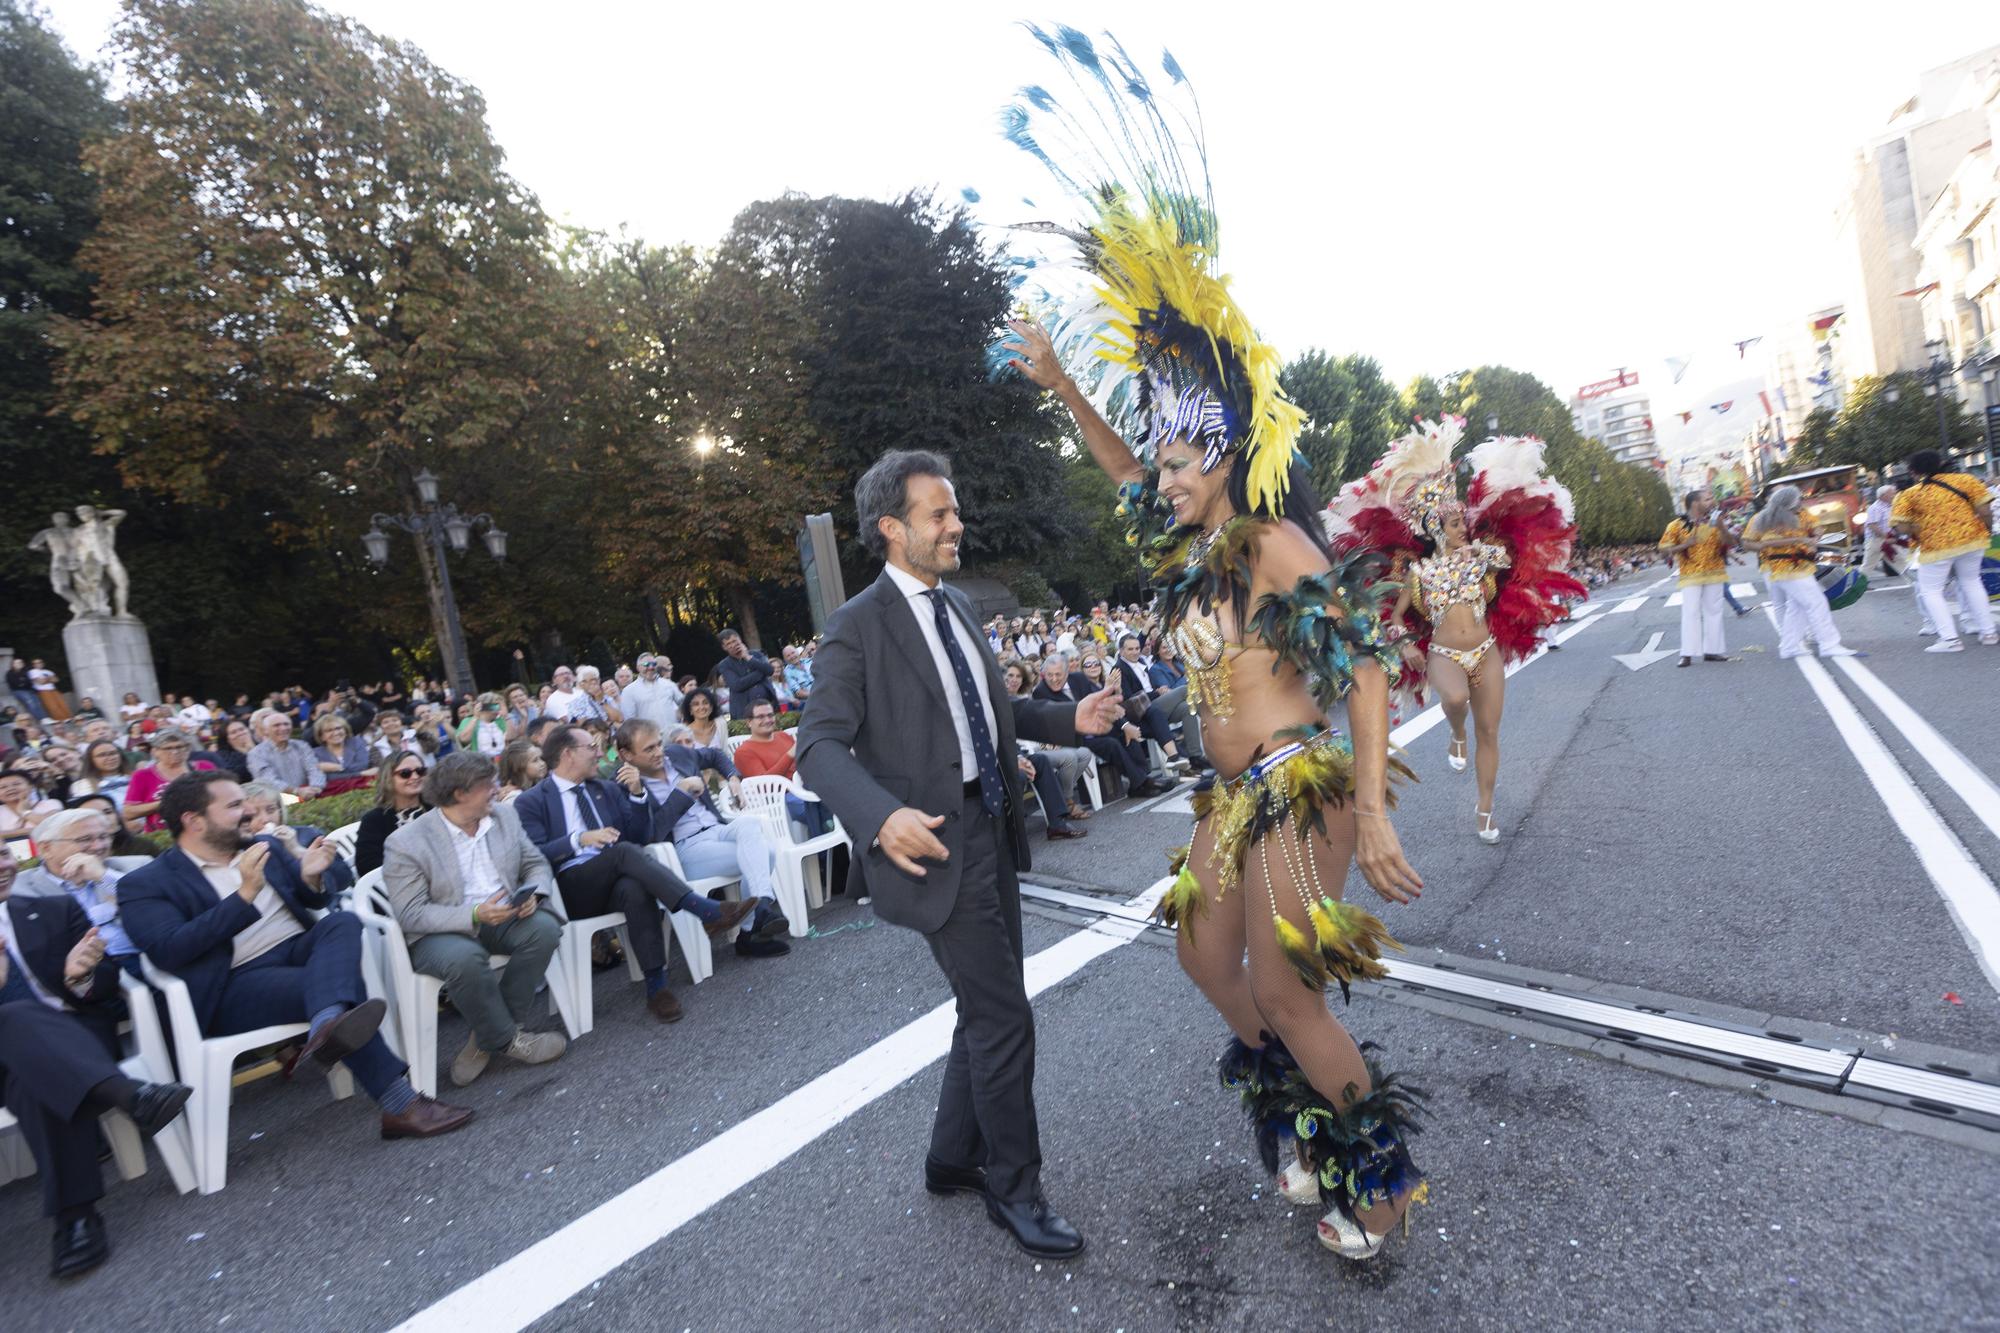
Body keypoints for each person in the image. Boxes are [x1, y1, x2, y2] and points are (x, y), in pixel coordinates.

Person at [997, 50, 1430, 1258]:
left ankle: (1381, 1185)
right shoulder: (1191, 540)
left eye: (1184, 464)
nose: (1164, 479)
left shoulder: (1276, 544)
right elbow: (1125, 473)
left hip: (1298, 779)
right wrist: (1061, 384)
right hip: (1228, 793)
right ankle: (1293, 1115)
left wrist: (1379, 820)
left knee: (1287, 989)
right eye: (1164, 464)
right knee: (1200, 955)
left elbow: (1360, 664)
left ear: (1226, 460)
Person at [796, 449, 1126, 1262]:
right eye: (939, 513)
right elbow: (816, 747)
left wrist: (1064, 718)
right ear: (891, 527)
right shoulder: (858, 625)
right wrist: (879, 818)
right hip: (935, 847)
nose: (956, 524)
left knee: (985, 1007)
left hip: (991, 827)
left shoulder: (957, 608)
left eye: (954, 510)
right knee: (1003, 1014)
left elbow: (988, 707)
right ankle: (1014, 1188)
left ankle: (951, 1156)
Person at [118, 772, 473, 1138]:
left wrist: (311, 879)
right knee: (338, 994)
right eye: (235, 806)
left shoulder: (263, 846)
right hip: (234, 984)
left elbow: (314, 900)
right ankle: (396, 1098)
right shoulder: (145, 883)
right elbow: (169, 950)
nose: (248, 811)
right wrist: (244, 896)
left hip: (302, 953)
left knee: (343, 922)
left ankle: (328, 1028)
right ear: (193, 820)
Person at [1, 839, 194, 1280]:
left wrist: (82, 975)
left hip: (73, 1042)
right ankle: (131, 1096)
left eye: (3, 853)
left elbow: (108, 983)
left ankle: (76, 1220)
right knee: (11, 1017)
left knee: (37, 1082)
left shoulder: (51, 911)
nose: (1, 865)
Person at [515, 726, 755, 1023]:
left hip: (616, 879)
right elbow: (534, 855)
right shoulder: (531, 801)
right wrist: (578, 839)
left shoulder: (605, 788)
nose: (600, 753)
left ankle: (657, 988)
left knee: (634, 887)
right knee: (623, 853)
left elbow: (643, 838)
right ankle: (704, 910)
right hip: (573, 888)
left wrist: (638, 795)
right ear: (567, 754)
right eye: (591, 747)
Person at [381, 752, 567, 1086]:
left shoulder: (504, 817)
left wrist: (534, 894)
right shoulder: (406, 842)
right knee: (466, 959)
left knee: (544, 929)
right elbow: (411, 914)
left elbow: (535, 864)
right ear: (459, 794)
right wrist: (473, 914)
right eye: (487, 785)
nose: (496, 789)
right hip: (440, 930)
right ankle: (509, 1040)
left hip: (505, 914)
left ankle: (486, 1037)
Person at [617, 719, 792, 956]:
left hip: (716, 828)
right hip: (684, 849)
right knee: (766, 852)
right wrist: (680, 794)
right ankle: (752, 930)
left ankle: (760, 908)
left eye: (658, 744)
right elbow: (647, 835)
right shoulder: (625, 787)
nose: (659, 752)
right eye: (649, 749)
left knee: (750, 825)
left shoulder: (676, 754)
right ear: (626, 754)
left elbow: (715, 756)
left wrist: (732, 777)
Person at [11, 808, 145, 976]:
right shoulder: (19, 888)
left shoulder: (135, 866)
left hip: (147, 958)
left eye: (103, 837)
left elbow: (155, 904)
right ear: (46, 849)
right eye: (85, 839)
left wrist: (103, 876)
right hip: (81, 974)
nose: (99, 846)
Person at [1892, 449, 1996, 654]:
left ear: (1914, 472)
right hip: (1972, 540)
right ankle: (1989, 633)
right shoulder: (1967, 480)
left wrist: (1916, 530)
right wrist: (1987, 530)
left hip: (1936, 547)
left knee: (1930, 590)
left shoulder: (1910, 494)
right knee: (1972, 583)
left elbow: (1900, 527)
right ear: (1940, 463)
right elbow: (1985, 511)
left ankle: (1950, 639)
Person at [1740, 485, 1860, 661]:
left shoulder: (1801, 514)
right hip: (1784, 568)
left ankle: (1789, 647)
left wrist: (1814, 537)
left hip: (1802, 565)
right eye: (1797, 500)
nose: (1801, 502)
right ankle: (1829, 644)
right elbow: (1747, 544)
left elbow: (1816, 528)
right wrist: (1770, 545)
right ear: (1787, 503)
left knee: (1797, 608)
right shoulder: (1761, 519)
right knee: (1816, 603)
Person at [1033, 654, 1167, 799]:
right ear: (1044, 674)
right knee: (1111, 744)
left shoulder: (1078, 678)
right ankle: (1142, 782)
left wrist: (1125, 726)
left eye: (1058, 674)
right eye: (1049, 675)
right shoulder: (1041, 692)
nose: (1054, 679)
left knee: (1125, 733)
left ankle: (1142, 781)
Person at [1659, 490, 1736, 667]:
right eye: (1707, 499)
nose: (1712, 501)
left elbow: (1731, 543)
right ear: (1695, 503)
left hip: (1715, 571)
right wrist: (1685, 545)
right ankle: (1687, 653)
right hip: (1690, 574)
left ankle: (1713, 651)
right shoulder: (1676, 525)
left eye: (1711, 498)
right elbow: (1663, 551)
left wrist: (1722, 527)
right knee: (1690, 612)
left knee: (1714, 611)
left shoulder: (1716, 521)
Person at [1112, 632, 1205, 771]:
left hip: (1156, 706)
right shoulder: (1119, 669)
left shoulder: (1141, 662)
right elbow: (1129, 700)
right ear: (1121, 651)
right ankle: (1213, 719)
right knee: (1184, 690)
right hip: (1143, 712)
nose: (1135, 652)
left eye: (1137, 648)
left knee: (1187, 708)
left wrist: (1159, 690)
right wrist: (1156, 693)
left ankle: (1195, 757)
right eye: (1130, 649)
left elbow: (1146, 686)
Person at [120, 728, 213, 832]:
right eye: (168, 748)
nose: (175, 752)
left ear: (187, 748)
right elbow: (128, 813)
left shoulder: (204, 767)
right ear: (155, 751)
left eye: (179, 747)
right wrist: (166, 803)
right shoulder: (143, 776)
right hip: (164, 834)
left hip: (205, 827)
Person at [355, 755, 431, 876]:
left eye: (420, 771)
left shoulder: (437, 808)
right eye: (405, 773)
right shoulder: (375, 820)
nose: (415, 777)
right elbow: (367, 866)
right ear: (389, 778)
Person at [248, 712, 324, 800]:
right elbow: (268, 780)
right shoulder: (256, 753)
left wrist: (315, 788)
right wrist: (297, 791)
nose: (283, 728)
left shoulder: (302, 746)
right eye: (276, 725)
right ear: (265, 730)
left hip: (309, 795)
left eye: (286, 724)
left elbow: (314, 769)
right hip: (280, 801)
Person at [715, 630, 777, 720]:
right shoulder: (724, 665)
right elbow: (737, 685)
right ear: (724, 647)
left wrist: (748, 658)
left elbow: (770, 670)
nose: (733, 645)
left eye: (734, 641)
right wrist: (761, 673)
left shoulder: (757, 654)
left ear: (740, 640)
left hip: (769, 704)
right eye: (728, 644)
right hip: (744, 710)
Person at [311, 713, 378, 795]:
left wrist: (337, 768)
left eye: (338, 728)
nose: (335, 733)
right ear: (322, 737)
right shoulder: (315, 753)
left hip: (363, 790)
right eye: (329, 730)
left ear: (345, 730)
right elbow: (327, 778)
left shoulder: (357, 742)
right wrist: (361, 773)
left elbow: (362, 765)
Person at [619, 655, 683, 734]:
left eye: (654, 664)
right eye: (646, 664)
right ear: (638, 667)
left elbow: (683, 702)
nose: (650, 667)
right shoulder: (629, 691)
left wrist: (680, 717)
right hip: (650, 739)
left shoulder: (668, 684)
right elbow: (629, 720)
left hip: (674, 735)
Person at [1, 766, 63, 836]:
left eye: (16, 784)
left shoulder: (51, 804)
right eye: (3, 787)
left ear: (31, 786)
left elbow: (55, 825)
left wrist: (25, 812)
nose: (10, 789)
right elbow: (47, 828)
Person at [199, 716, 262, 782]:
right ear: (227, 739)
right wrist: (247, 753)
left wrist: (253, 749)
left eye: (242, 729)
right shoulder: (222, 756)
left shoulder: (261, 745)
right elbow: (236, 776)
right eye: (233, 732)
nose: (240, 733)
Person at [1862, 484, 1905, 579]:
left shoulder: (1890, 506)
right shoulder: (1875, 508)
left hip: (1888, 539)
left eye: (1894, 493)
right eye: (1892, 494)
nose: (1894, 495)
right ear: (1883, 495)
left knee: (1901, 560)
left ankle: (1913, 580)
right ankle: (1859, 585)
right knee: (1869, 564)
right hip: (1875, 540)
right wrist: (1886, 537)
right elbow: (1872, 525)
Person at [495, 740, 546, 804]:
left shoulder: (539, 788)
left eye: (540, 758)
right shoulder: (513, 798)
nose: (542, 763)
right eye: (535, 760)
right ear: (519, 767)